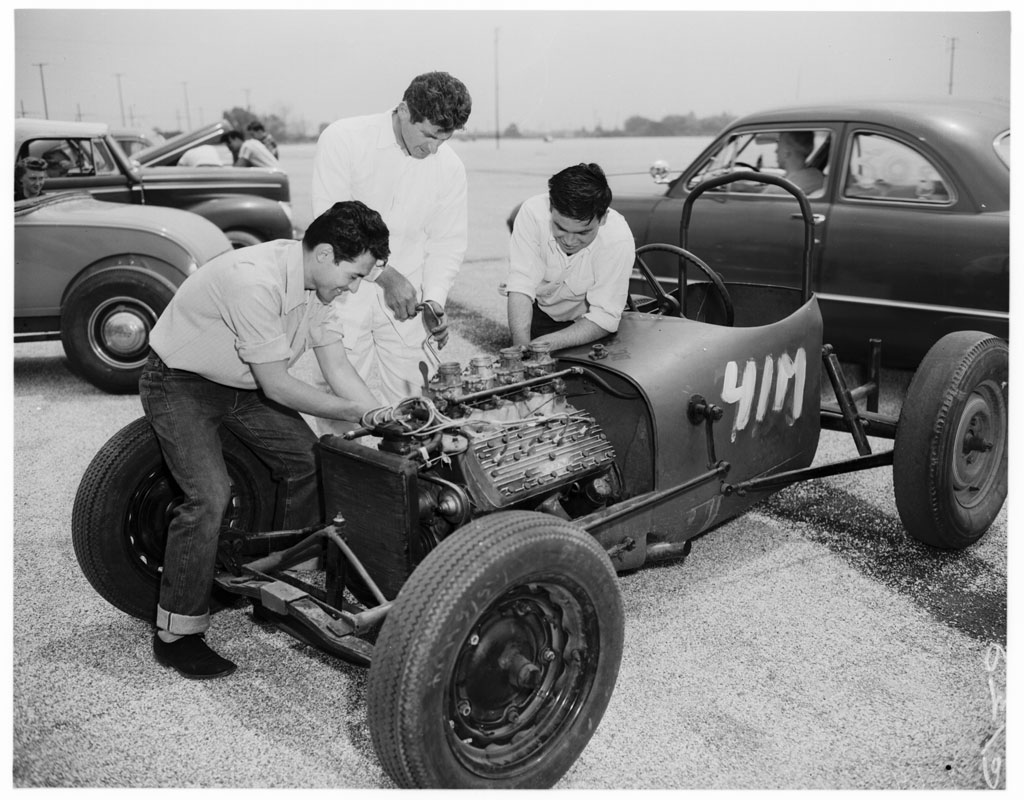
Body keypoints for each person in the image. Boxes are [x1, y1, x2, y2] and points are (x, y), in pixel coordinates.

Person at [140, 200, 389, 679]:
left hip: (245, 388)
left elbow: (337, 368)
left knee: (312, 460)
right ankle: (175, 633)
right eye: (354, 276)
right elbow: (278, 385)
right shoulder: (255, 279)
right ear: (323, 254)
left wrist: (384, 412)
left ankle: (273, 575)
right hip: (179, 382)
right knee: (209, 495)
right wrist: (362, 411)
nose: (354, 288)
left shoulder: (319, 287)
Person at [311, 70, 472, 407]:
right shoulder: (344, 139)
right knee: (339, 408)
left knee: (416, 407)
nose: (433, 148)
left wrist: (435, 300)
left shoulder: (450, 167)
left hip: (407, 307)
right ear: (403, 110)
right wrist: (384, 275)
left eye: (444, 139)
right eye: (427, 135)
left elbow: (447, 241)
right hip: (343, 293)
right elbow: (330, 223)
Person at [505, 163, 636, 350]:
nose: (569, 240)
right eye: (560, 227)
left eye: (583, 233)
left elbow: (604, 316)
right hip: (539, 311)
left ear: (604, 218)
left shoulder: (618, 239)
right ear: (551, 207)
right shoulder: (532, 213)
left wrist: (540, 347)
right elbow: (521, 283)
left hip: (588, 324)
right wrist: (520, 348)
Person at [774, 131, 824, 195]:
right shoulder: (819, 178)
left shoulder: (777, 191)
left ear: (786, 151)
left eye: (779, 145)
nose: (776, 151)